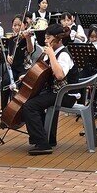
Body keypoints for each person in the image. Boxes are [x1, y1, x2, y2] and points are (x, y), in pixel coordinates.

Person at [20, 23, 76, 155]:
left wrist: (51, 55)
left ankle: (42, 144)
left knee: (30, 106)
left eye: (48, 38)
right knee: (31, 100)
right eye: (45, 38)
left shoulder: (63, 55)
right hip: (53, 92)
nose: (45, 41)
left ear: (58, 39)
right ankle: (47, 138)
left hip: (65, 94)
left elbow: (60, 75)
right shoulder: (49, 52)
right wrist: (28, 77)